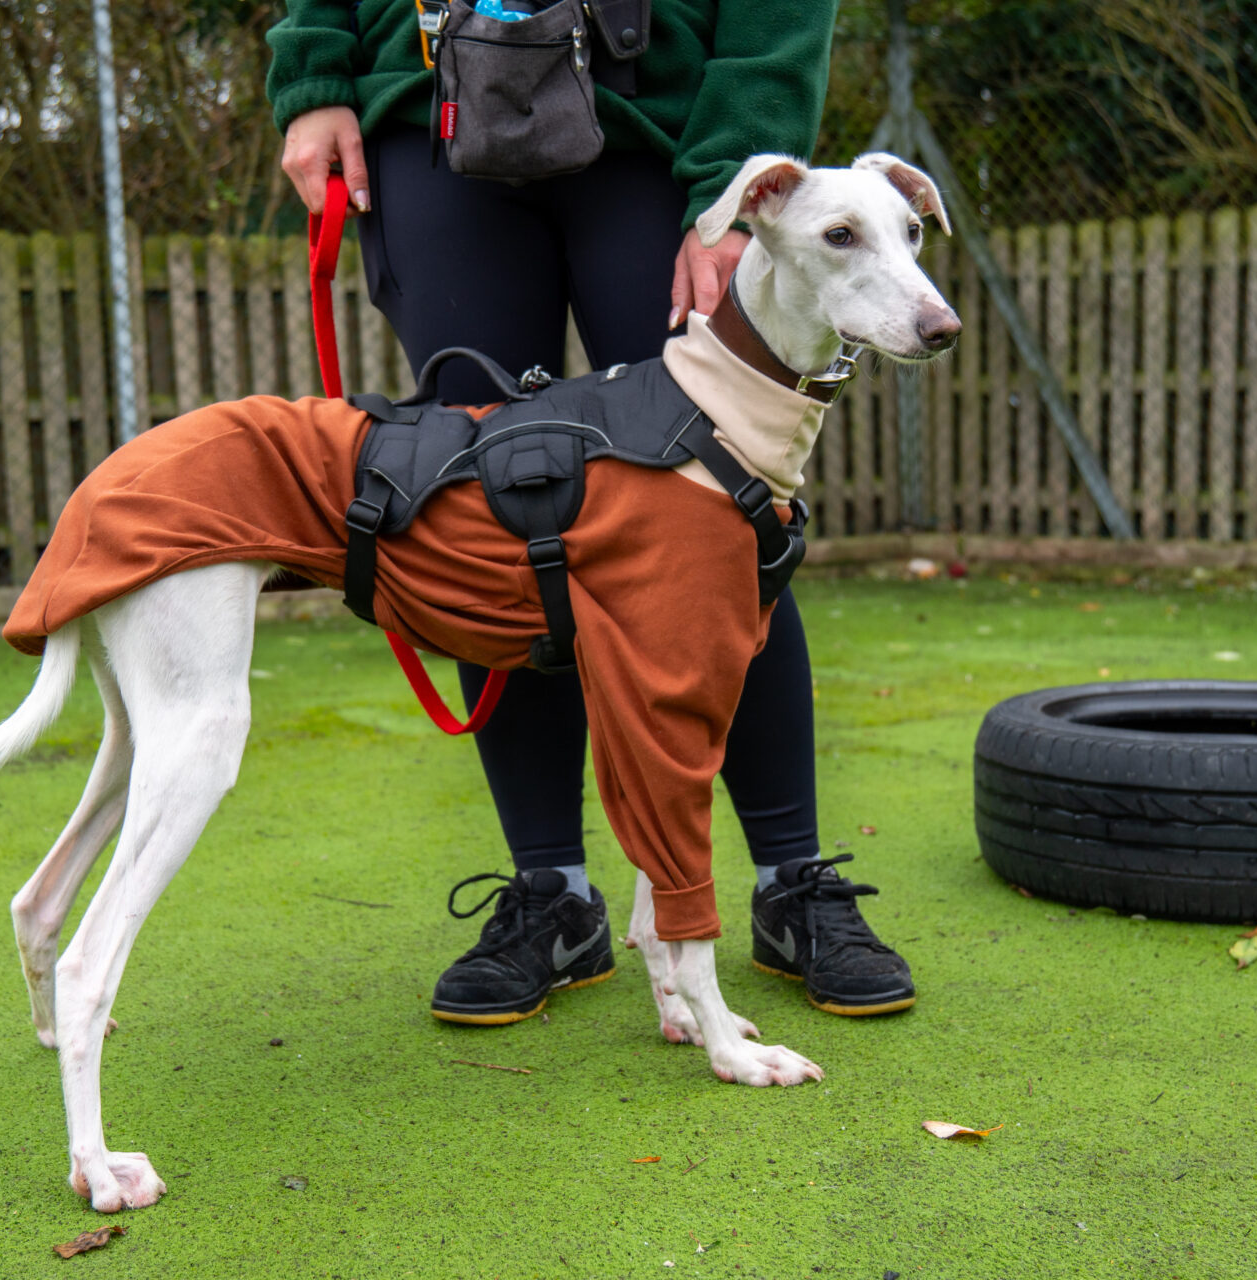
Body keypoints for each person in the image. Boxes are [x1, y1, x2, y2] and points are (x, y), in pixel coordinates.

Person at [264, 0, 914, 1025]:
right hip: (432, 121)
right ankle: (551, 893)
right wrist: (315, 78)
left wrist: (732, 181)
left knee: (718, 522)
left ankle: (793, 881)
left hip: (662, 127)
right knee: (485, 515)